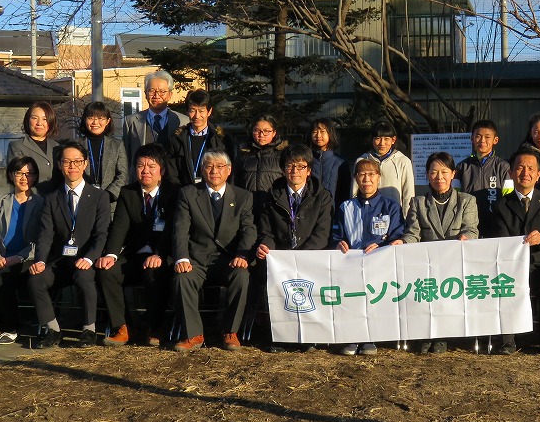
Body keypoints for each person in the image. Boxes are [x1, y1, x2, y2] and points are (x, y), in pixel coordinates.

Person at [27, 141, 112, 348]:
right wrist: (40, 260)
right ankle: (53, 330)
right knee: (36, 279)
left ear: (85, 164)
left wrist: (90, 257)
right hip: (60, 259)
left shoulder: (99, 196)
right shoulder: (52, 198)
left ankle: (88, 330)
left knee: (84, 278)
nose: (72, 166)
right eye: (67, 162)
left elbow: (101, 233)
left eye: (77, 161)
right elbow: (46, 234)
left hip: (85, 258)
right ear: (59, 165)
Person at [95, 144, 180, 347]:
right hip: (136, 254)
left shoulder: (174, 192)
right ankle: (122, 327)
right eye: (141, 165)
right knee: (107, 271)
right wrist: (111, 254)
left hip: (163, 254)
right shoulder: (128, 192)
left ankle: (155, 327)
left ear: (162, 171)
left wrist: (160, 253)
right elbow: (120, 227)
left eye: (151, 166)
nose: (145, 170)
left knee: (155, 273)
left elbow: (174, 229)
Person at [171, 150, 256, 352]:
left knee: (242, 277)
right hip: (197, 259)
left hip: (229, 260)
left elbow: (248, 229)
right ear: (202, 170)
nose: (214, 171)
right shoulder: (188, 193)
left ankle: (230, 332)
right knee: (182, 278)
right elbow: (180, 229)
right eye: (209, 166)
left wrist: (243, 255)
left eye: (219, 167)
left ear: (228, 171)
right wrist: (182, 257)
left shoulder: (243, 197)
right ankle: (193, 334)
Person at [394, 152, 479, 354]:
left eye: (444, 172)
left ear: (453, 174)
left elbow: (471, 229)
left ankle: (441, 335)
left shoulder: (467, 201)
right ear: (427, 175)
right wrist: (403, 241)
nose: (439, 177)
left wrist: (465, 238)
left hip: (455, 262)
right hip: (427, 264)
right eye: (434, 172)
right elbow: (413, 233)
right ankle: (426, 334)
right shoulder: (418, 203)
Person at [255, 144, 334, 352]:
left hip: (311, 256)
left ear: (309, 170)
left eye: (301, 167)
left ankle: (309, 336)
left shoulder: (322, 196)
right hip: (281, 258)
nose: (295, 171)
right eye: (290, 166)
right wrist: (266, 246)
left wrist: (300, 257)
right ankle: (281, 337)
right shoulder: (271, 196)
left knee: (309, 292)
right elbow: (267, 232)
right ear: (283, 169)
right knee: (278, 290)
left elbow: (322, 232)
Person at [492, 148, 540, 356]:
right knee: (502, 285)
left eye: (531, 168)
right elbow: (501, 239)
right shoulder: (501, 206)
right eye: (520, 168)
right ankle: (507, 341)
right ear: (511, 172)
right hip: (511, 266)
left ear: (538, 174)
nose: (525, 172)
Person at [332, 157, 405, 356]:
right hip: (351, 266)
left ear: (379, 178)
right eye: (362, 174)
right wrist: (339, 243)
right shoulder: (345, 207)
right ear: (356, 178)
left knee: (374, 299)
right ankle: (352, 338)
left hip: (379, 266)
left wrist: (383, 245)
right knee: (353, 299)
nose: (367, 179)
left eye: (371, 174)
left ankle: (371, 338)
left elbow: (398, 235)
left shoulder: (390, 206)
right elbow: (336, 235)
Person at [0, 156, 45, 344]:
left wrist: (19, 257)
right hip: (1, 257)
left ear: (35, 177)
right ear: (11, 175)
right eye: (19, 173)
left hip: (25, 258)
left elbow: (42, 239)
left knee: (0, 279)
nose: (24, 177)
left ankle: (11, 327)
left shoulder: (41, 204)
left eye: (29, 173)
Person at [122, 70, 188, 179]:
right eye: (152, 91)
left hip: (173, 183)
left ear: (170, 94)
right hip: (141, 183)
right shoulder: (131, 121)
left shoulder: (183, 122)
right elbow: (127, 157)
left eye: (162, 91)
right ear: (145, 94)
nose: (156, 95)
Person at [455, 119, 513, 238]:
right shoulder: (462, 167)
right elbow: (455, 196)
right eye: (478, 136)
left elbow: (509, 197)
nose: (482, 141)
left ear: (495, 140)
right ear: (472, 138)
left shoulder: (503, 167)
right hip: (468, 225)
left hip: (496, 224)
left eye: (487, 137)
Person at [167, 89, 234, 186]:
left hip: (213, 191)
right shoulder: (177, 138)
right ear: (187, 111)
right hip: (185, 193)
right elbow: (172, 172)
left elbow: (230, 171)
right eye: (192, 110)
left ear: (209, 111)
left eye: (201, 111)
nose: (197, 116)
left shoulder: (221, 138)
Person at [352, 120, 415, 217]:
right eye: (378, 138)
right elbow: (354, 191)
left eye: (386, 139)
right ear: (372, 139)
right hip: (366, 215)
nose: (382, 143)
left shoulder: (403, 161)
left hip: (393, 216)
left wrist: (407, 219)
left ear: (393, 140)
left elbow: (408, 194)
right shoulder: (362, 160)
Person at [79, 100, 128, 210]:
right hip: (81, 203)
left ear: (108, 121)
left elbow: (123, 174)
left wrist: (108, 195)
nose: (95, 122)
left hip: (110, 205)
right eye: (91, 118)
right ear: (84, 120)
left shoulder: (117, 145)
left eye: (100, 118)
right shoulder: (76, 145)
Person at [7, 101, 62, 194]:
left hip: (55, 203)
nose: (39, 123)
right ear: (28, 120)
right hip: (30, 202)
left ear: (51, 121)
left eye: (45, 119)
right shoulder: (17, 146)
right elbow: (17, 179)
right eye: (34, 118)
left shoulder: (57, 147)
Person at [234, 113, 287, 207]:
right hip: (247, 208)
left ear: (274, 132)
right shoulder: (243, 154)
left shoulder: (283, 154)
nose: (261, 135)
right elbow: (235, 182)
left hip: (273, 207)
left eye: (266, 131)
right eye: (257, 130)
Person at [309, 117, 351, 208]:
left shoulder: (340, 162)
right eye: (315, 132)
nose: (318, 136)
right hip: (309, 212)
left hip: (332, 212)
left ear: (330, 134)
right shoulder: (306, 160)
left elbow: (345, 192)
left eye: (322, 132)